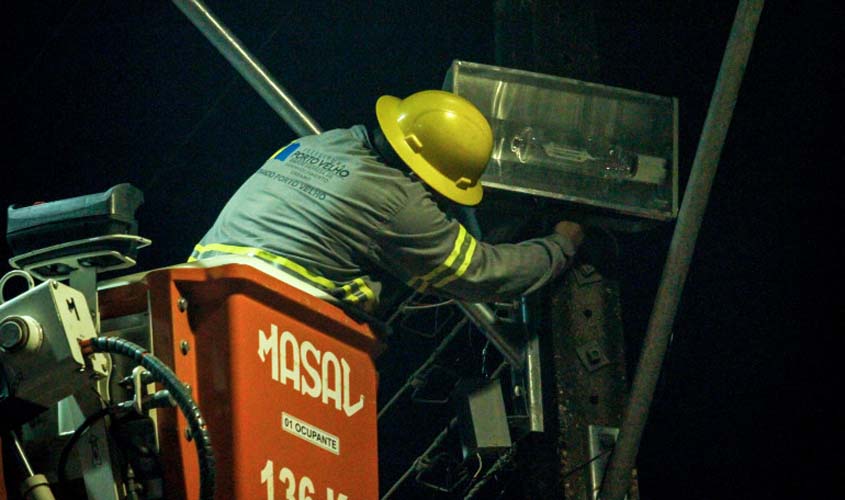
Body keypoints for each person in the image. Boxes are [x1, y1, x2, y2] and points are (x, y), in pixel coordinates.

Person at [190, 90, 584, 314]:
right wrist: (560, 245)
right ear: (422, 173)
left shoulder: (324, 142)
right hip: (277, 320)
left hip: (198, 290)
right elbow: (481, 272)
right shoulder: (398, 200)